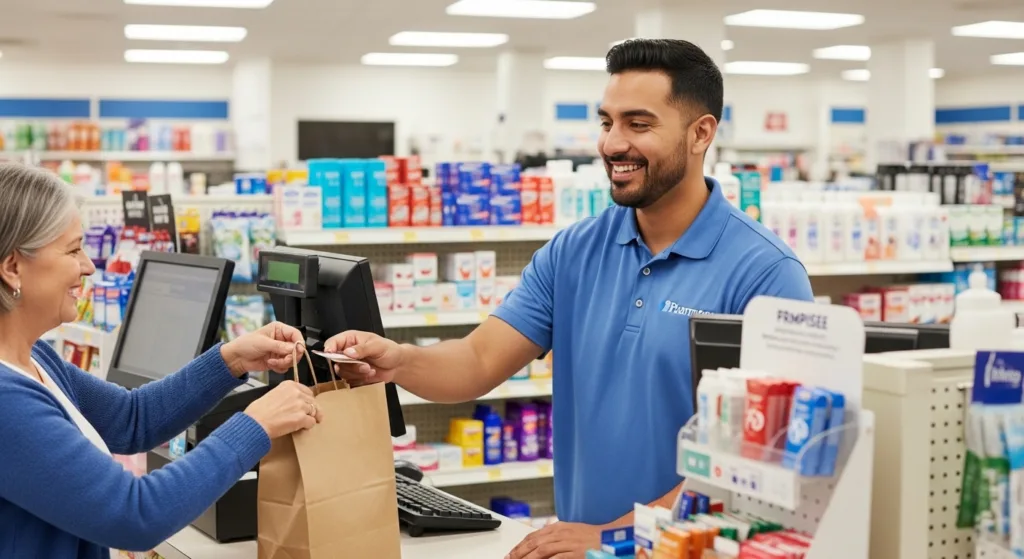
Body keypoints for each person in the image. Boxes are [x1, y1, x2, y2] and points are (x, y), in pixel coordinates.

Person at [326, 39, 814, 559]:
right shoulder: (574, 250)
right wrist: (397, 362)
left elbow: (763, 461)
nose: (612, 144)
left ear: (701, 133)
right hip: (579, 548)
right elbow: (478, 359)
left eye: (638, 124)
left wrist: (623, 534)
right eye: (607, 122)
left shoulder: (766, 275)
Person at [0, 162, 325, 559]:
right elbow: (134, 514)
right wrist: (255, 425)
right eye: (72, 250)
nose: (88, 265)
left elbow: (130, 419)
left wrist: (231, 359)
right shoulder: (6, 401)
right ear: (12, 267)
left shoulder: (34, 358)